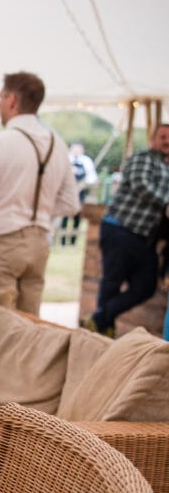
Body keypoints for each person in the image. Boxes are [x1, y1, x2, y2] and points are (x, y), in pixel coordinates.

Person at [0, 72, 79, 316]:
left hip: (2, 244)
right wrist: (39, 210)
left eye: (0, 97)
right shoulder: (58, 143)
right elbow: (71, 203)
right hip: (39, 243)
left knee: (0, 325)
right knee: (30, 326)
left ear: (11, 99)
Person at [86, 123, 169, 337]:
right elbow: (142, 185)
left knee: (146, 286)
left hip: (143, 237)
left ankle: (99, 319)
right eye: (162, 137)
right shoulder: (144, 158)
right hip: (120, 228)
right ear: (153, 139)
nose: (167, 141)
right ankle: (102, 330)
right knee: (112, 281)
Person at [60, 141, 98, 245]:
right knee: (65, 215)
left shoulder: (86, 161)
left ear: (82, 150)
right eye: (74, 148)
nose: (76, 151)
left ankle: (73, 240)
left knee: (77, 216)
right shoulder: (66, 159)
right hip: (66, 192)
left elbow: (92, 177)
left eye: (78, 149)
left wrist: (82, 185)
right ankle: (63, 240)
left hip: (80, 192)